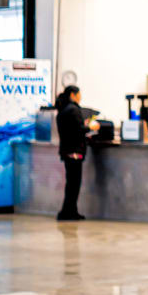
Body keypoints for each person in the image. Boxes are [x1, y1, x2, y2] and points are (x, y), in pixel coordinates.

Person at [54, 85, 95, 221]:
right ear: (73, 95)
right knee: (74, 184)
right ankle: (68, 212)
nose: (80, 97)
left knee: (70, 183)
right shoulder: (73, 110)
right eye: (79, 94)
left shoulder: (63, 110)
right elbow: (79, 129)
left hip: (67, 151)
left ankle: (70, 211)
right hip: (75, 152)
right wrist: (91, 126)